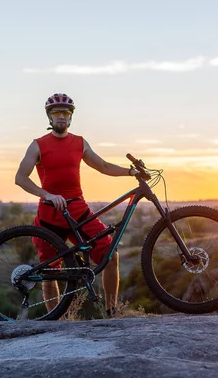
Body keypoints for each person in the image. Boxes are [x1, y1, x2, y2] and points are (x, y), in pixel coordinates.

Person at [14, 92, 137, 317]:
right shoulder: (38, 145)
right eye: (56, 113)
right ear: (49, 117)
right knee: (51, 271)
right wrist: (47, 194)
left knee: (111, 253)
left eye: (66, 113)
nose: (61, 117)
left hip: (78, 211)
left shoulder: (79, 143)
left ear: (71, 117)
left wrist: (130, 171)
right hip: (50, 215)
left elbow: (103, 166)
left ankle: (112, 312)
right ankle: (57, 323)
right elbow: (20, 177)